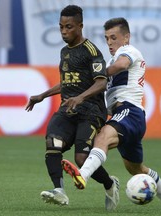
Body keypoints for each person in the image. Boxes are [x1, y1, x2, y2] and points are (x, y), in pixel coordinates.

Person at [61, 17, 161, 210]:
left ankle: (82, 176)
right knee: (136, 169)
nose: (110, 42)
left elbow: (121, 66)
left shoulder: (128, 51)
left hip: (129, 110)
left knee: (102, 137)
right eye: (107, 38)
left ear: (126, 37)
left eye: (114, 37)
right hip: (126, 117)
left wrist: (96, 75)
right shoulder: (111, 59)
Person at [25, 5, 119, 210]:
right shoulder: (64, 52)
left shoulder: (91, 51)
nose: (64, 31)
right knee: (52, 143)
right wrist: (42, 95)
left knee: (81, 158)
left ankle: (110, 184)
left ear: (80, 26)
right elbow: (67, 82)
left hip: (91, 112)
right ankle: (59, 191)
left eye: (69, 27)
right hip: (68, 110)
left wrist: (81, 97)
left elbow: (101, 82)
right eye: (60, 27)